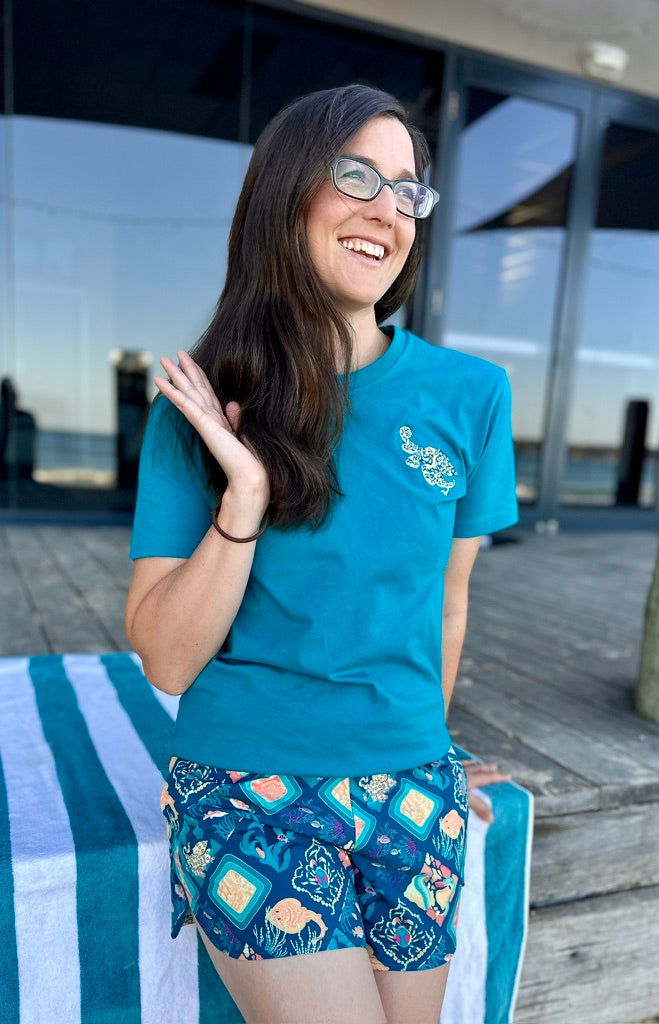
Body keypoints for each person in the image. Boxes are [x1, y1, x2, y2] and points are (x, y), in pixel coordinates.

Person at [125, 83, 517, 1024]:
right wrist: (244, 502)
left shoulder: (472, 395)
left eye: (408, 191)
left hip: (412, 779)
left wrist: (437, 749)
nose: (388, 209)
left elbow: (447, 605)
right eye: (356, 177)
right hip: (247, 777)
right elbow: (168, 657)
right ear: (288, 193)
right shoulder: (202, 404)